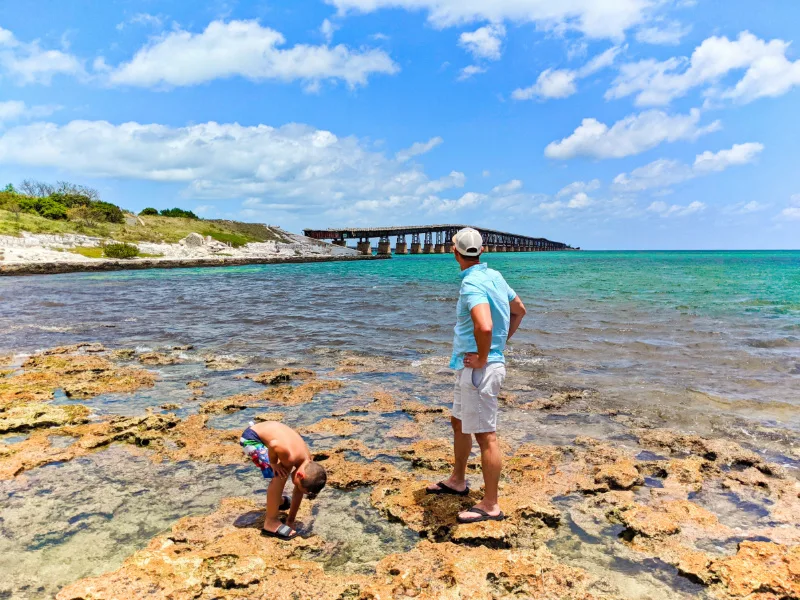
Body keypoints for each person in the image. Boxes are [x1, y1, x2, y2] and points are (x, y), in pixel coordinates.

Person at [426, 227, 527, 523]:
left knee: (486, 436)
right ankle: (458, 480)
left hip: (478, 370)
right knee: (458, 421)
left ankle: (491, 504)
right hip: (473, 366)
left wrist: (485, 354)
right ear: (481, 251)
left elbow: (483, 326)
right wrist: (499, 345)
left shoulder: (471, 284)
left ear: (454, 252)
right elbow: (519, 310)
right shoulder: (494, 276)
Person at [240, 420, 327, 540]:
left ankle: (278, 502)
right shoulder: (290, 457)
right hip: (251, 438)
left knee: (283, 470)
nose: (296, 487)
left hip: (267, 432)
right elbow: (274, 444)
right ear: (300, 475)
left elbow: (298, 492)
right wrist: (274, 463)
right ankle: (270, 522)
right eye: (297, 484)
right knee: (279, 475)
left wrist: (290, 520)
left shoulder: (307, 462)